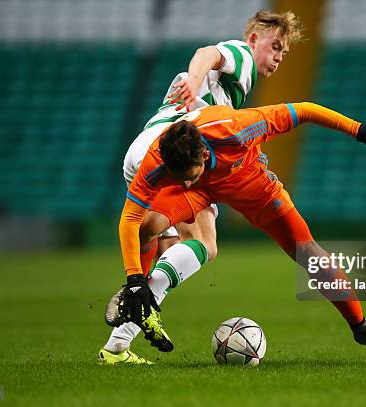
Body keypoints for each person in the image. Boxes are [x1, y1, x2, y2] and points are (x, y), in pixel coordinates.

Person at [99, 101, 366, 365]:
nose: (183, 183)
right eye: (177, 177)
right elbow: (129, 218)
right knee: (145, 228)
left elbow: (304, 110)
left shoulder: (237, 128)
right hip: (203, 191)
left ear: (204, 156)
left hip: (249, 184)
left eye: (186, 176)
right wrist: (135, 279)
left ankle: (362, 327)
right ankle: (134, 294)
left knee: (309, 253)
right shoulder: (161, 159)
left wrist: (359, 130)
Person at [98, 10, 303, 365]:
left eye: (284, 53)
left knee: (168, 244)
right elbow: (207, 52)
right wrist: (194, 81)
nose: (278, 57)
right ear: (254, 38)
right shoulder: (242, 58)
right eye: (275, 47)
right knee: (206, 243)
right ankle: (137, 289)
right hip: (175, 155)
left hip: (147, 150)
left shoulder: (230, 90)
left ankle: (117, 345)